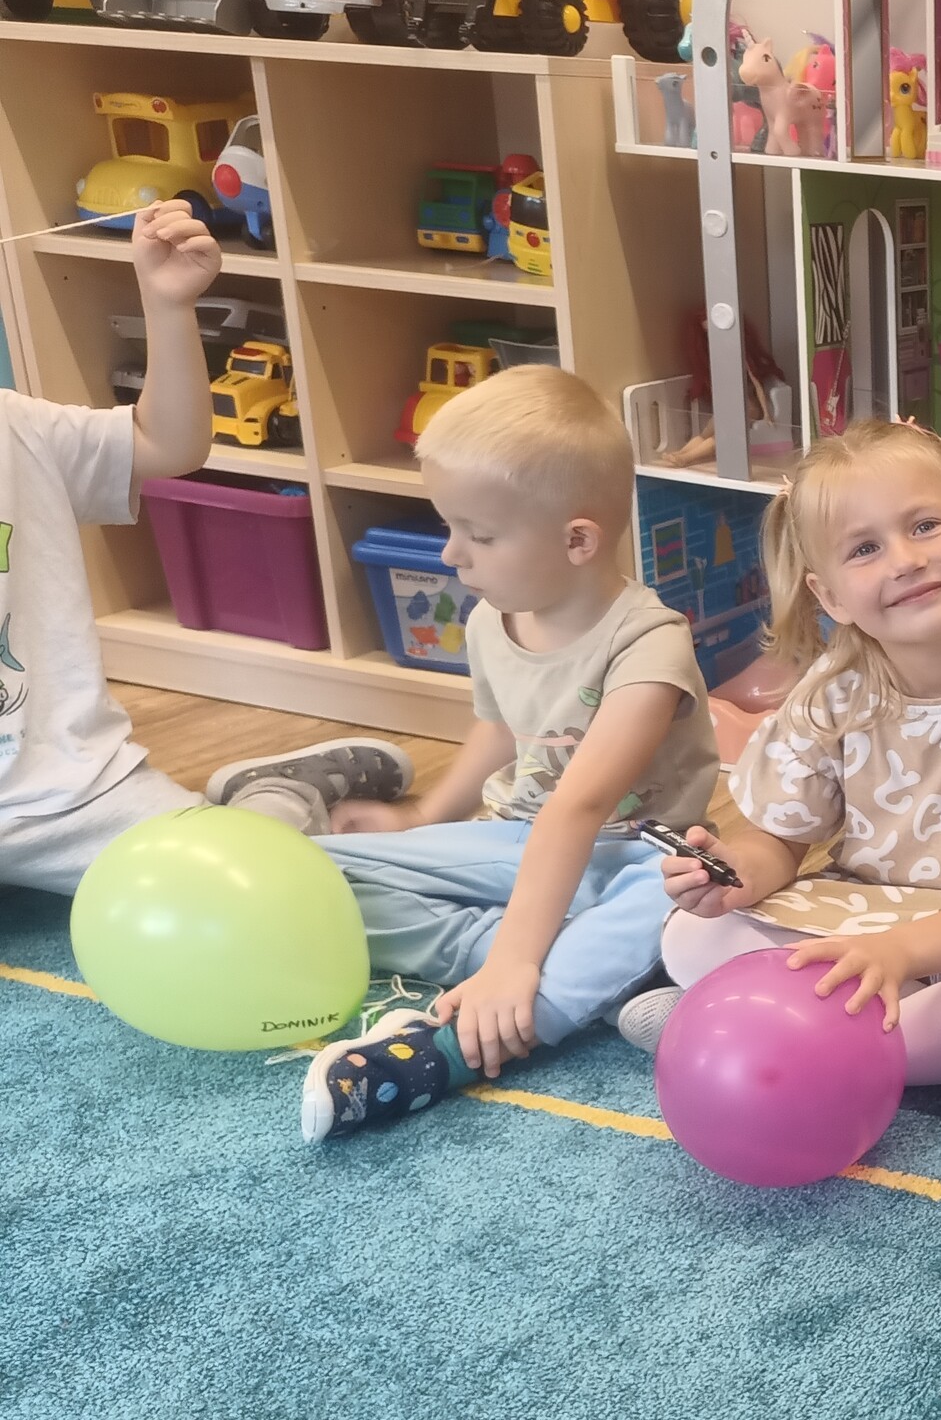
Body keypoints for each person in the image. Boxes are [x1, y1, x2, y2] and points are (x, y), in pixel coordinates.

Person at [235, 367, 717, 1140]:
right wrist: (423, 818)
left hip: (628, 856)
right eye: (449, 527)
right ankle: (543, 962)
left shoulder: (649, 646)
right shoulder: (495, 616)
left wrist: (515, 963)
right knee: (304, 874)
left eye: (479, 535)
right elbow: (497, 732)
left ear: (578, 540)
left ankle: (457, 1047)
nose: (452, 554)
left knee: (677, 900)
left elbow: (582, 806)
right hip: (517, 842)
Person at [617, 419, 941, 1084]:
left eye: (924, 526)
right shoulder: (833, 691)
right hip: (868, 922)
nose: (905, 560)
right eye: (865, 548)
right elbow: (780, 843)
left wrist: (901, 953)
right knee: (693, 935)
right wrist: (730, 876)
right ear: (830, 596)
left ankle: (766, 1036)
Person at [0, 202, 408, 891]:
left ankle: (277, 794)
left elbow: (168, 443)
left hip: (67, 796)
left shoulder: (15, 427)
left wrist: (167, 304)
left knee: (254, 886)